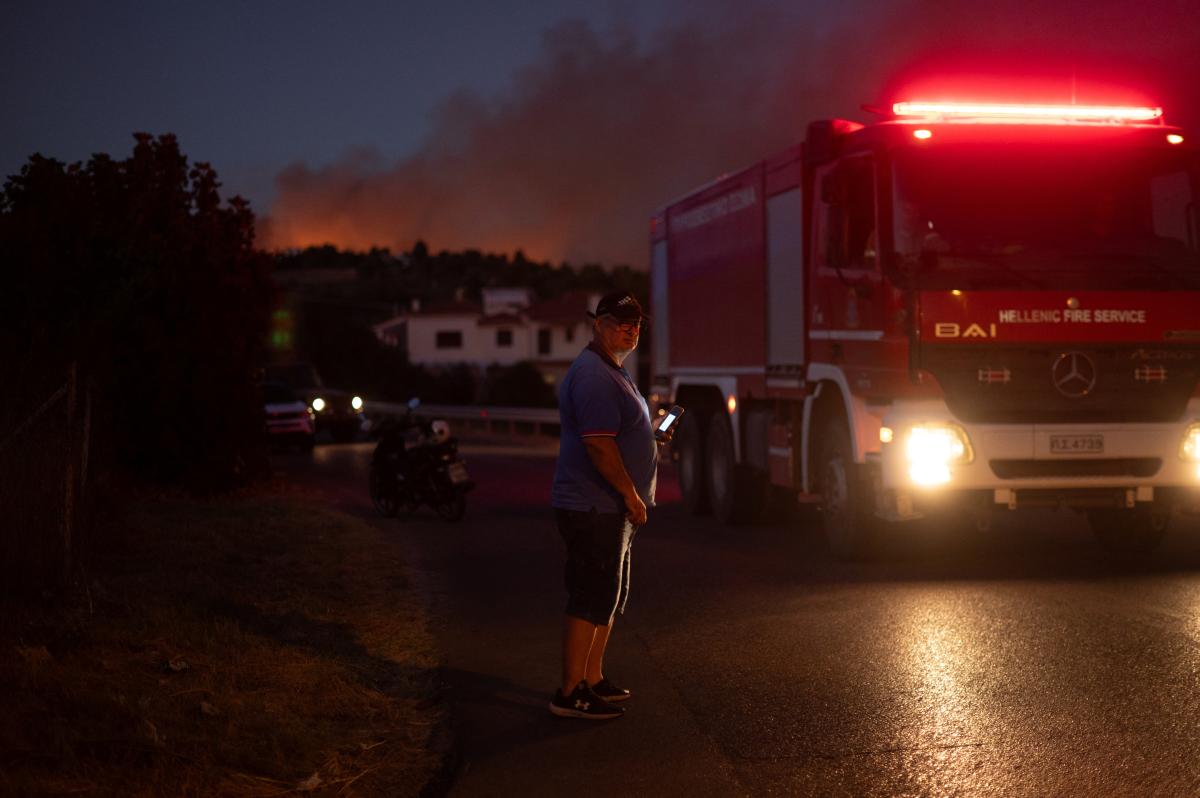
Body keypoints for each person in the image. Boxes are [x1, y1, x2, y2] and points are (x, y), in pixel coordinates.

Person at [548, 290, 667, 720]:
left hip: (609, 507)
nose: (631, 328)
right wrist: (631, 495)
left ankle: (592, 678)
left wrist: (649, 437)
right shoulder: (595, 376)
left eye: (636, 322)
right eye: (620, 321)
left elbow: (617, 433)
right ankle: (569, 691)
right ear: (597, 323)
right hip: (593, 506)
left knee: (607, 596)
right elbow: (598, 446)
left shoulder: (613, 369)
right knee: (590, 594)